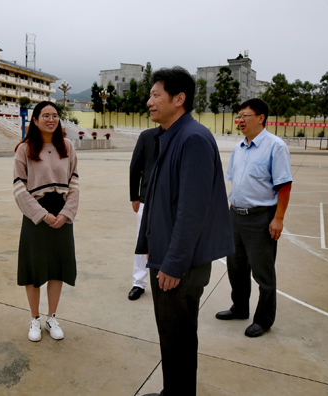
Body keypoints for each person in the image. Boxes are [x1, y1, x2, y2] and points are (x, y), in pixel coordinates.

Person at [136, 67, 234, 396]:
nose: (149, 101)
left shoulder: (192, 139)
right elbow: (164, 200)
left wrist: (173, 262)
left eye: (155, 95)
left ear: (179, 99)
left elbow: (192, 210)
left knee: (177, 336)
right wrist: (153, 245)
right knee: (172, 335)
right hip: (167, 255)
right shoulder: (173, 135)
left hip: (181, 265)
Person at [216, 98, 292, 338]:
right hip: (235, 216)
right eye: (239, 116)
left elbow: (284, 185)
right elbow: (235, 183)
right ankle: (240, 308)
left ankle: (264, 319)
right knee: (235, 268)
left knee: (263, 273)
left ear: (261, 118)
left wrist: (278, 218)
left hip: (261, 218)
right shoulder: (239, 148)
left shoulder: (275, 146)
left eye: (245, 115)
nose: (240, 120)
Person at [13, 101, 79, 342]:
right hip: (35, 216)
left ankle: (52, 317)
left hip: (62, 215)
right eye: (45, 116)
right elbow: (19, 187)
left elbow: (74, 184)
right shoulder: (25, 148)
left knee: (56, 269)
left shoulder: (68, 147)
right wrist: (41, 214)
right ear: (36, 120)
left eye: (55, 116)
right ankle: (35, 319)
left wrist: (66, 213)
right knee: (33, 269)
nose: (51, 120)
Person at [128, 127, 158, 300]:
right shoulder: (147, 136)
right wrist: (135, 196)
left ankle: (163, 280)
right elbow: (136, 166)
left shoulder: (180, 135)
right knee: (143, 242)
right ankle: (139, 283)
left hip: (172, 201)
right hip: (146, 199)